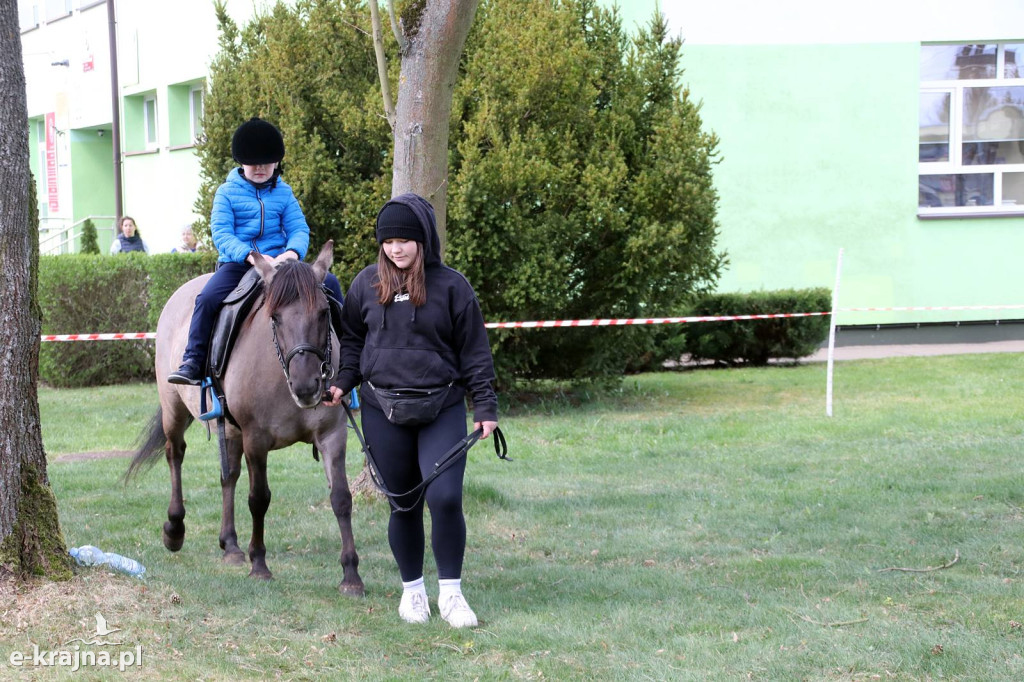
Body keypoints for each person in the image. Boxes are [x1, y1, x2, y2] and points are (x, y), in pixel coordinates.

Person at [322, 193, 498, 628]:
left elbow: (475, 351)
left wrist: (485, 405)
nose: (395, 249)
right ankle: (413, 592)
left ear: (423, 239)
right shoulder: (366, 284)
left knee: (445, 497)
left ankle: (452, 595)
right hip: (383, 409)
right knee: (403, 503)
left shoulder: (453, 286)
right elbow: (354, 342)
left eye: (404, 240)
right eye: (388, 241)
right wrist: (343, 381)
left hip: (442, 406)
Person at [168, 117, 343, 385]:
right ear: (241, 162)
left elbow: (298, 228)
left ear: (276, 163)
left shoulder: (284, 193)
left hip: (281, 263)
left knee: (330, 284)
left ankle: (350, 352)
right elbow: (222, 233)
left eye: (266, 162)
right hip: (239, 263)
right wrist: (249, 255)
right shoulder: (226, 193)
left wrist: (291, 253)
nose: (260, 168)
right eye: (253, 162)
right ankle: (193, 360)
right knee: (207, 299)